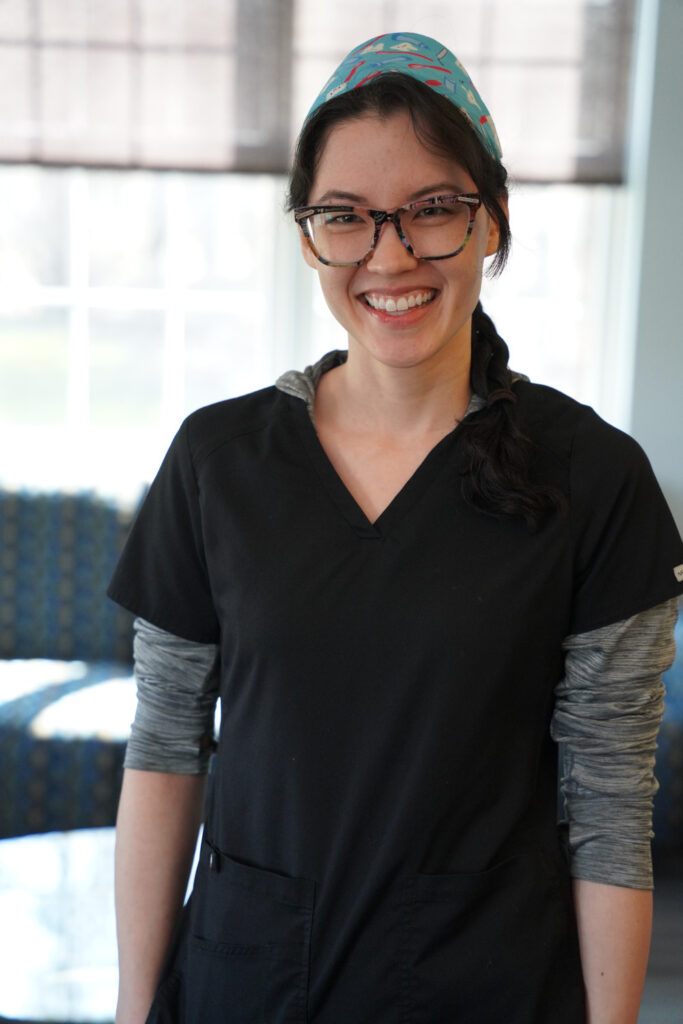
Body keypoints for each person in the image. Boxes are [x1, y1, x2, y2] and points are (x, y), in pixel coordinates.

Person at [109, 32, 683, 1024]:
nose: (389, 254)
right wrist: (131, 1007)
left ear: (491, 219)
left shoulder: (595, 479)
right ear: (306, 234)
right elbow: (164, 751)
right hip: (243, 988)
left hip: (489, 989)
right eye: (346, 217)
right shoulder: (215, 462)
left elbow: (606, 800)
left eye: (432, 210)